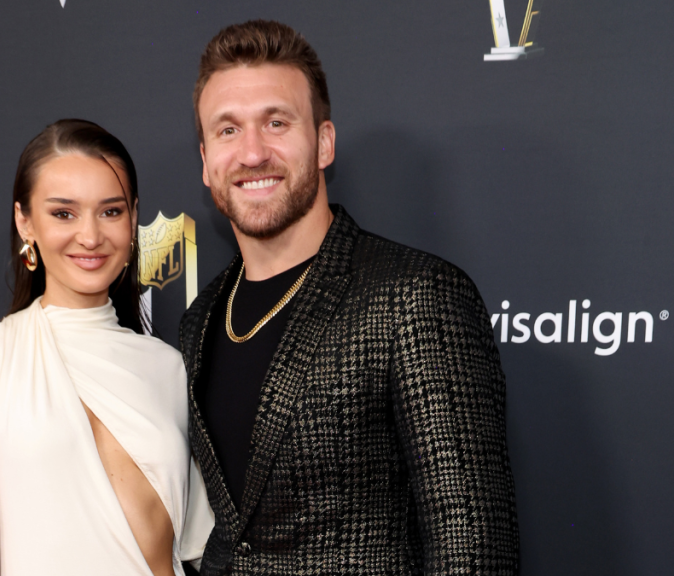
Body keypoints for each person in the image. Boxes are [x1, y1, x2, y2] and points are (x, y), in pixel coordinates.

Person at [180, 21, 520, 575]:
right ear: (205, 159)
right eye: (227, 130)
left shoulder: (414, 296)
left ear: (324, 142)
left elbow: (471, 547)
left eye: (276, 122)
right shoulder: (200, 320)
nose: (252, 152)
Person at [0, 119, 212, 576]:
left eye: (110, 211)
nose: (90, 236)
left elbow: (197, 546)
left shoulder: (170, 367)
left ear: (133, 218)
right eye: (63, 213)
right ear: (25, 221)